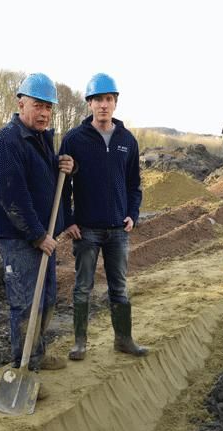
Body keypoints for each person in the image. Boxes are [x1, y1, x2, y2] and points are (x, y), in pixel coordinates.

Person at [0, 73, 74, 371]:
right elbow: (12, 197)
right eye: (39, 105)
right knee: (26, 303)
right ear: (21, 103)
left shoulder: (40, 140)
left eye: (49, 107)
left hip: (43, 236)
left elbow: (44, 183)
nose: (45, 113)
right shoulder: (7, 142)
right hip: (20, 239)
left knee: (47, 298)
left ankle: (36, 353)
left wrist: (62, 165)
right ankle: (24, 368)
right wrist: (38, 236)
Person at [60, 73, 148, 361]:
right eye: (98, 99)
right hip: (86, 230)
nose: (103, 105)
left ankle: (123, 339)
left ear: (115, 103)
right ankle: (80, 344)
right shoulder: (74, 140)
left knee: (119, 287)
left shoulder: (127, 141)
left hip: (118, 232)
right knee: (82, 287)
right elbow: (62, 185)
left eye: (108, 99)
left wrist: (132, 214)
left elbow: (134, 184)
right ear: (89, 103)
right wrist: (67, 220)